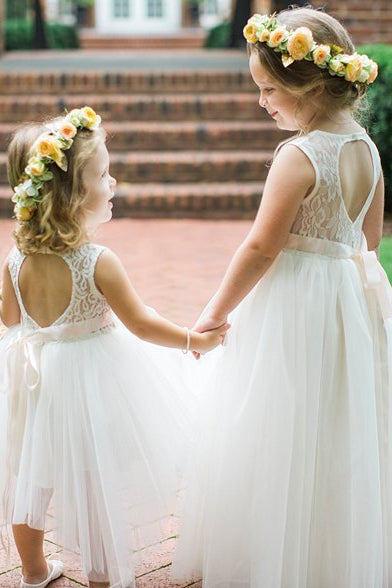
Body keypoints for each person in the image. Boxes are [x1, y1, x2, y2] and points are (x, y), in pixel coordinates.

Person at [172, 7, 392, 587]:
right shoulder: (367, 150)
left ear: (310, 84)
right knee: (333, 423)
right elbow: (368, 241)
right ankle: (328, 553)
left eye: (269, 89)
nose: (262, 101)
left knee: (279, 421)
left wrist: (214, 312)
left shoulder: (298, 156)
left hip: (293, 305)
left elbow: (261, 247)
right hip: (347, 303)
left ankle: (276, 554)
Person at [0, 106, 228, 588]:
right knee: (92, 484)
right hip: (88, 383)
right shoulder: (97, 261)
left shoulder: (13, 258)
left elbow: (9, 321)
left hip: (34, 380)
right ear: (73, 194)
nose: (113, 180)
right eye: (103, 173)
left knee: (32, 481)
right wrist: (195, 339)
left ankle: (34, 571)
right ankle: (101, 577)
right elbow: (142, 324)